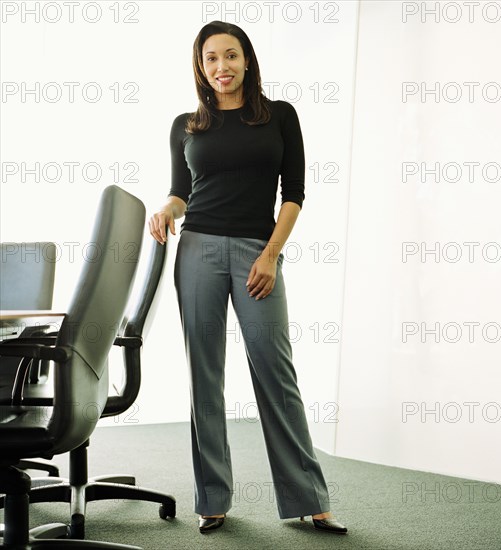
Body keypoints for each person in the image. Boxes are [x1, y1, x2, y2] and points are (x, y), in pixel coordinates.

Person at [148, 20, 348, 536]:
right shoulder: (185, 125)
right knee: (205, 375)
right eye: (211, 59)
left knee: (275, 371)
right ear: (201, 66)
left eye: (231, 56)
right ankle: (212, 500)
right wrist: (167, 209)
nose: (222, 67)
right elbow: (181, 191)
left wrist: (271, 256)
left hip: (260, 254)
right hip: (197, 251)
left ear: (247, 60)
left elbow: (294, 193)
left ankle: (309, 498)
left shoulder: (279, 117)